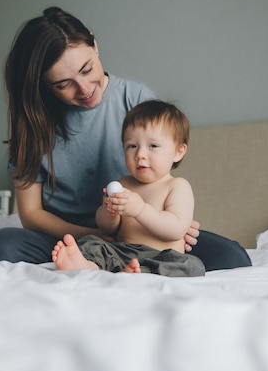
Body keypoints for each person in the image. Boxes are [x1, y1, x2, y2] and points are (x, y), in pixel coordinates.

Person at [0, 6, 252, 271]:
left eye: (86, 69)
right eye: (63, 84)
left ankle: (128, 265)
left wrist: (172, 222)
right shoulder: (34, 123)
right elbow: (31, 214)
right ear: (44, 85)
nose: (83, 89)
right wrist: (91, 234)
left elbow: (160, 174)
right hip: (69, 235)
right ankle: (91, 261)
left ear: (94, 45)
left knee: (233, 257)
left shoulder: (135, 99)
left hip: (139, 230)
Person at [52, 100, 205, 276]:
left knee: (192, 265)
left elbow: (176, 228)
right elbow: (109, 229)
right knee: (90, 242)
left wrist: (139, 209)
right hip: (122, 252)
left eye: (153, 146)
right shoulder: (124, 183)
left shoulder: (177, 186)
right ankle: (88, 266)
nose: (140, 154)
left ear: (178, 151)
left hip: (160, 257)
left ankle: (139, 273)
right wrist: (109, 212)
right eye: (132, 146)